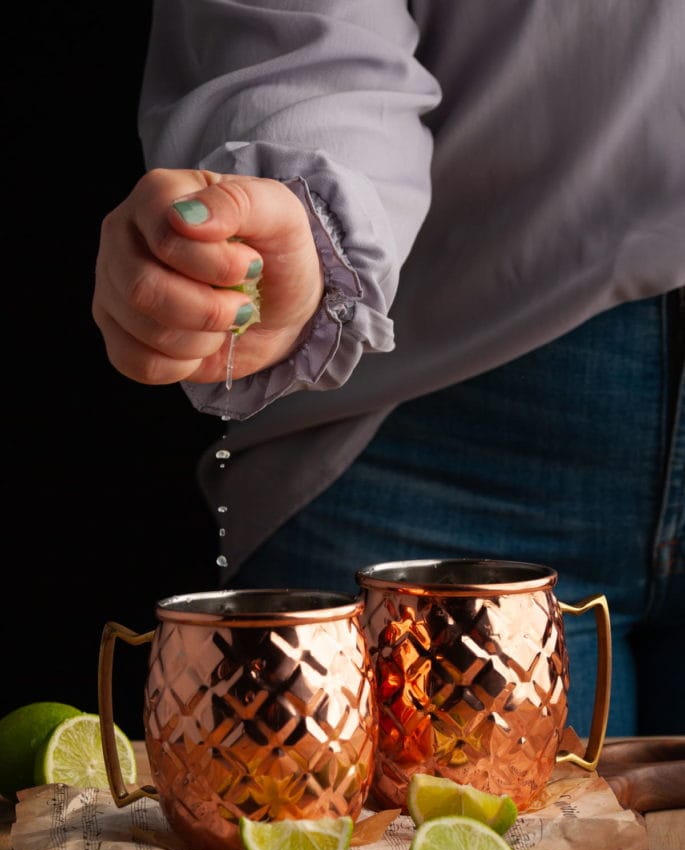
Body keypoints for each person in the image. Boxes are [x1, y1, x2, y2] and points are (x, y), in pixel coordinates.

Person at [92, 0, 685, 739]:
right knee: (378, 841)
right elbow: (308, 39)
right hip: (437, 399)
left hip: (449, 370)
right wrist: (293, 224)